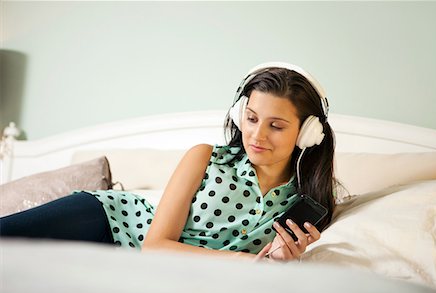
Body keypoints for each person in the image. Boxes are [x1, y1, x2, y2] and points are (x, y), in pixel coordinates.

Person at [0, 62, 336, 262]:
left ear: (307, 133)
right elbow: (155, 246)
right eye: (250, 118)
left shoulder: (304, 203)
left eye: (276, 126)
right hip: (106, 219)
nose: (257, 135)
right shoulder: (205, 156)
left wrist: (276, 260)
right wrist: (244, 262)